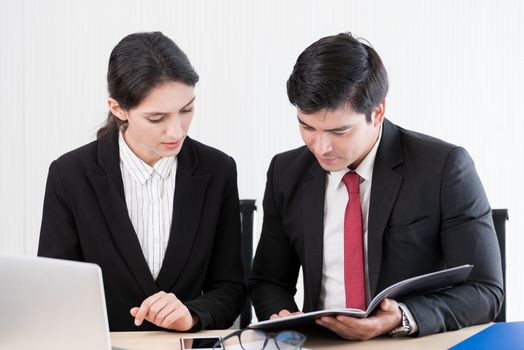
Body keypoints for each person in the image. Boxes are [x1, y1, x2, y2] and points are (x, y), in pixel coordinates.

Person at [248, 32, 503, 340]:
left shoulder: (443, 167)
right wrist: (283, 319)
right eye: (306, 127)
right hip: (321, 344)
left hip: (410, 342)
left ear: (378, 112)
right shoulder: (286, 173)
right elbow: (269, 281)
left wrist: (400, 318)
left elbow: (485, 291)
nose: (321, 147)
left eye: (339, 131)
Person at [38, 31, 245, 332]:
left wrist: (192, 315)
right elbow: (53, 291)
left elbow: (230, 288)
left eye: (186, 110)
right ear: (118, 108)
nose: (176, 132)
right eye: (157, 118)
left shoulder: (218, 170)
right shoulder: (70, 175)